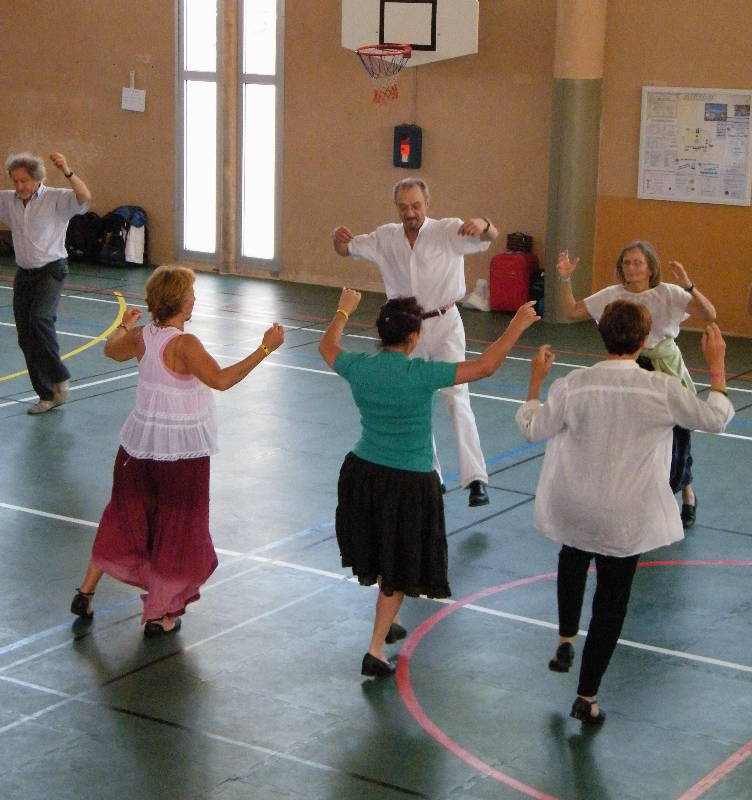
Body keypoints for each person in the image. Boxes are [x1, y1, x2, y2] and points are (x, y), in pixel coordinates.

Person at [516, 300, 734, 723]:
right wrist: (717, 366)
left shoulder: (573, 385)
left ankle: (564, 638)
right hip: (624, 515)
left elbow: (532, 428)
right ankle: (587, 697)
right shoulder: (661, 389)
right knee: (611, 604)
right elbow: (715, 419)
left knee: (572, 556)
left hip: (574, 505)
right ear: (644, 339)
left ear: (602, 335)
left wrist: (535, 384)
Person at [319, 288, 539, 677]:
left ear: (380, 333)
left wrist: (343, 310)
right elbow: (485, 366)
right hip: (407, 482)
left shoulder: (359, 366)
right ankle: (375, 649)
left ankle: (389, 622)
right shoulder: (421, 374)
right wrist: (516, 326)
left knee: (385, 552)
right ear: (414, 337)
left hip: (363, 474)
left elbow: (327, 346)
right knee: (399, 566)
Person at [71, 265, 284, 635]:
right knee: (176, 530)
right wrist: (265, 348)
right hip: (179, 456)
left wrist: (124, 324)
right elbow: (221, 380)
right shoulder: (185, 345)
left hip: (137, 449)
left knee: (124, 517)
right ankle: (159, 614)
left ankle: (86, 591)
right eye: (191, 295)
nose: (194, 299)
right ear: (181, 303)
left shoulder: (141, 337)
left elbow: (110, 350)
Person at [332, 178, 499, 507]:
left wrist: (485, 223)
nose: (410, 212)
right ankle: (432, 475)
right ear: (397, 207)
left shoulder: (448, 231)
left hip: (446, 323)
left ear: (428, 203)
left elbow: (489, 237)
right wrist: (336, 238)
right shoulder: (385, 237)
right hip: (406, 329)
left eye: (416, 205)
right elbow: (346, 249)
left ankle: (475, 478)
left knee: (456, 396)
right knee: (414, 399)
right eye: (404, 207)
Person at [557, 241, 717, 529]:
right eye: (626, 263)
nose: (631, 268)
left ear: (650, 267)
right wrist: (565, 279)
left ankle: (686, 491)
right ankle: (640, 497)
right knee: (636, 436)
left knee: (678, 434)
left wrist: (689, 286)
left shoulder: (668, 292)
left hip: (664, 369)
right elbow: (572, 311)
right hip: (629, 367)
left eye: (637, 263)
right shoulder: (613, 295)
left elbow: (709, 314)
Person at [0, 152, 92, 414]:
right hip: (24, 273)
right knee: (25, 336)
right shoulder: (8, 200)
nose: (19, 186)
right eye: (15, 181)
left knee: (39, 319)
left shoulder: (56, 198)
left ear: (38, 179)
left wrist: (67, 171)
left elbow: (84, 197)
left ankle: (59, 377)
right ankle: (47, 395)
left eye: (24, 181)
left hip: (52, 269)